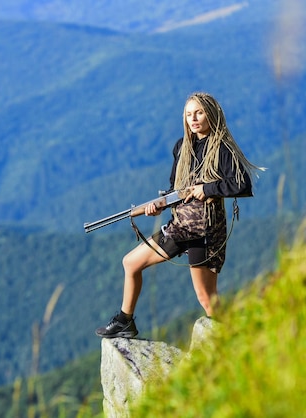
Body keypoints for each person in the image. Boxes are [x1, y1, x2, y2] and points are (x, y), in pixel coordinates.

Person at [95, 92, 262, 338]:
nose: (193, 119)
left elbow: (242, 185)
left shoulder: (222, 148)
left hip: (206, 231)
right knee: (131, 263)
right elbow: (176, 188)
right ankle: (125, 321)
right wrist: (158, 206)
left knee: (207, 299)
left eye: (199, 113)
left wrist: (207, 189)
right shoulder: (182, 147)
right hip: (180, 226)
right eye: (188, 114)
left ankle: (236, 337)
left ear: (211, 114)